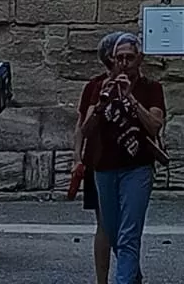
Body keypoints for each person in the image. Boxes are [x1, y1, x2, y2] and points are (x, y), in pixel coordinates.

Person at [76, 30, 165, 284]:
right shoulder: (100, 86)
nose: (124, 62)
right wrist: (103, 102)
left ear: (140, 59)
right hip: (104, 167)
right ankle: (132, 275)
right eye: (119, 58)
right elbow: (85, 128)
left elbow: (155, 125)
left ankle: (124, 280)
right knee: (112, 232)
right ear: (112, 60)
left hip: (137, 168)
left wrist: (131, 99)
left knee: (129, 233)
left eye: (130, 57)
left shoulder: (151, 88)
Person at [73, 32, 125, 284]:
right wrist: (77, 159)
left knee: (127, 224)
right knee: (105, 224)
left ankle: (128, 273)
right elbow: (81, 124)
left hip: (128, 161)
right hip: (98, 160)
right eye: (120, 55)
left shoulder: (136, 84)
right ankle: (102, 280)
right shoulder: (95, 86)